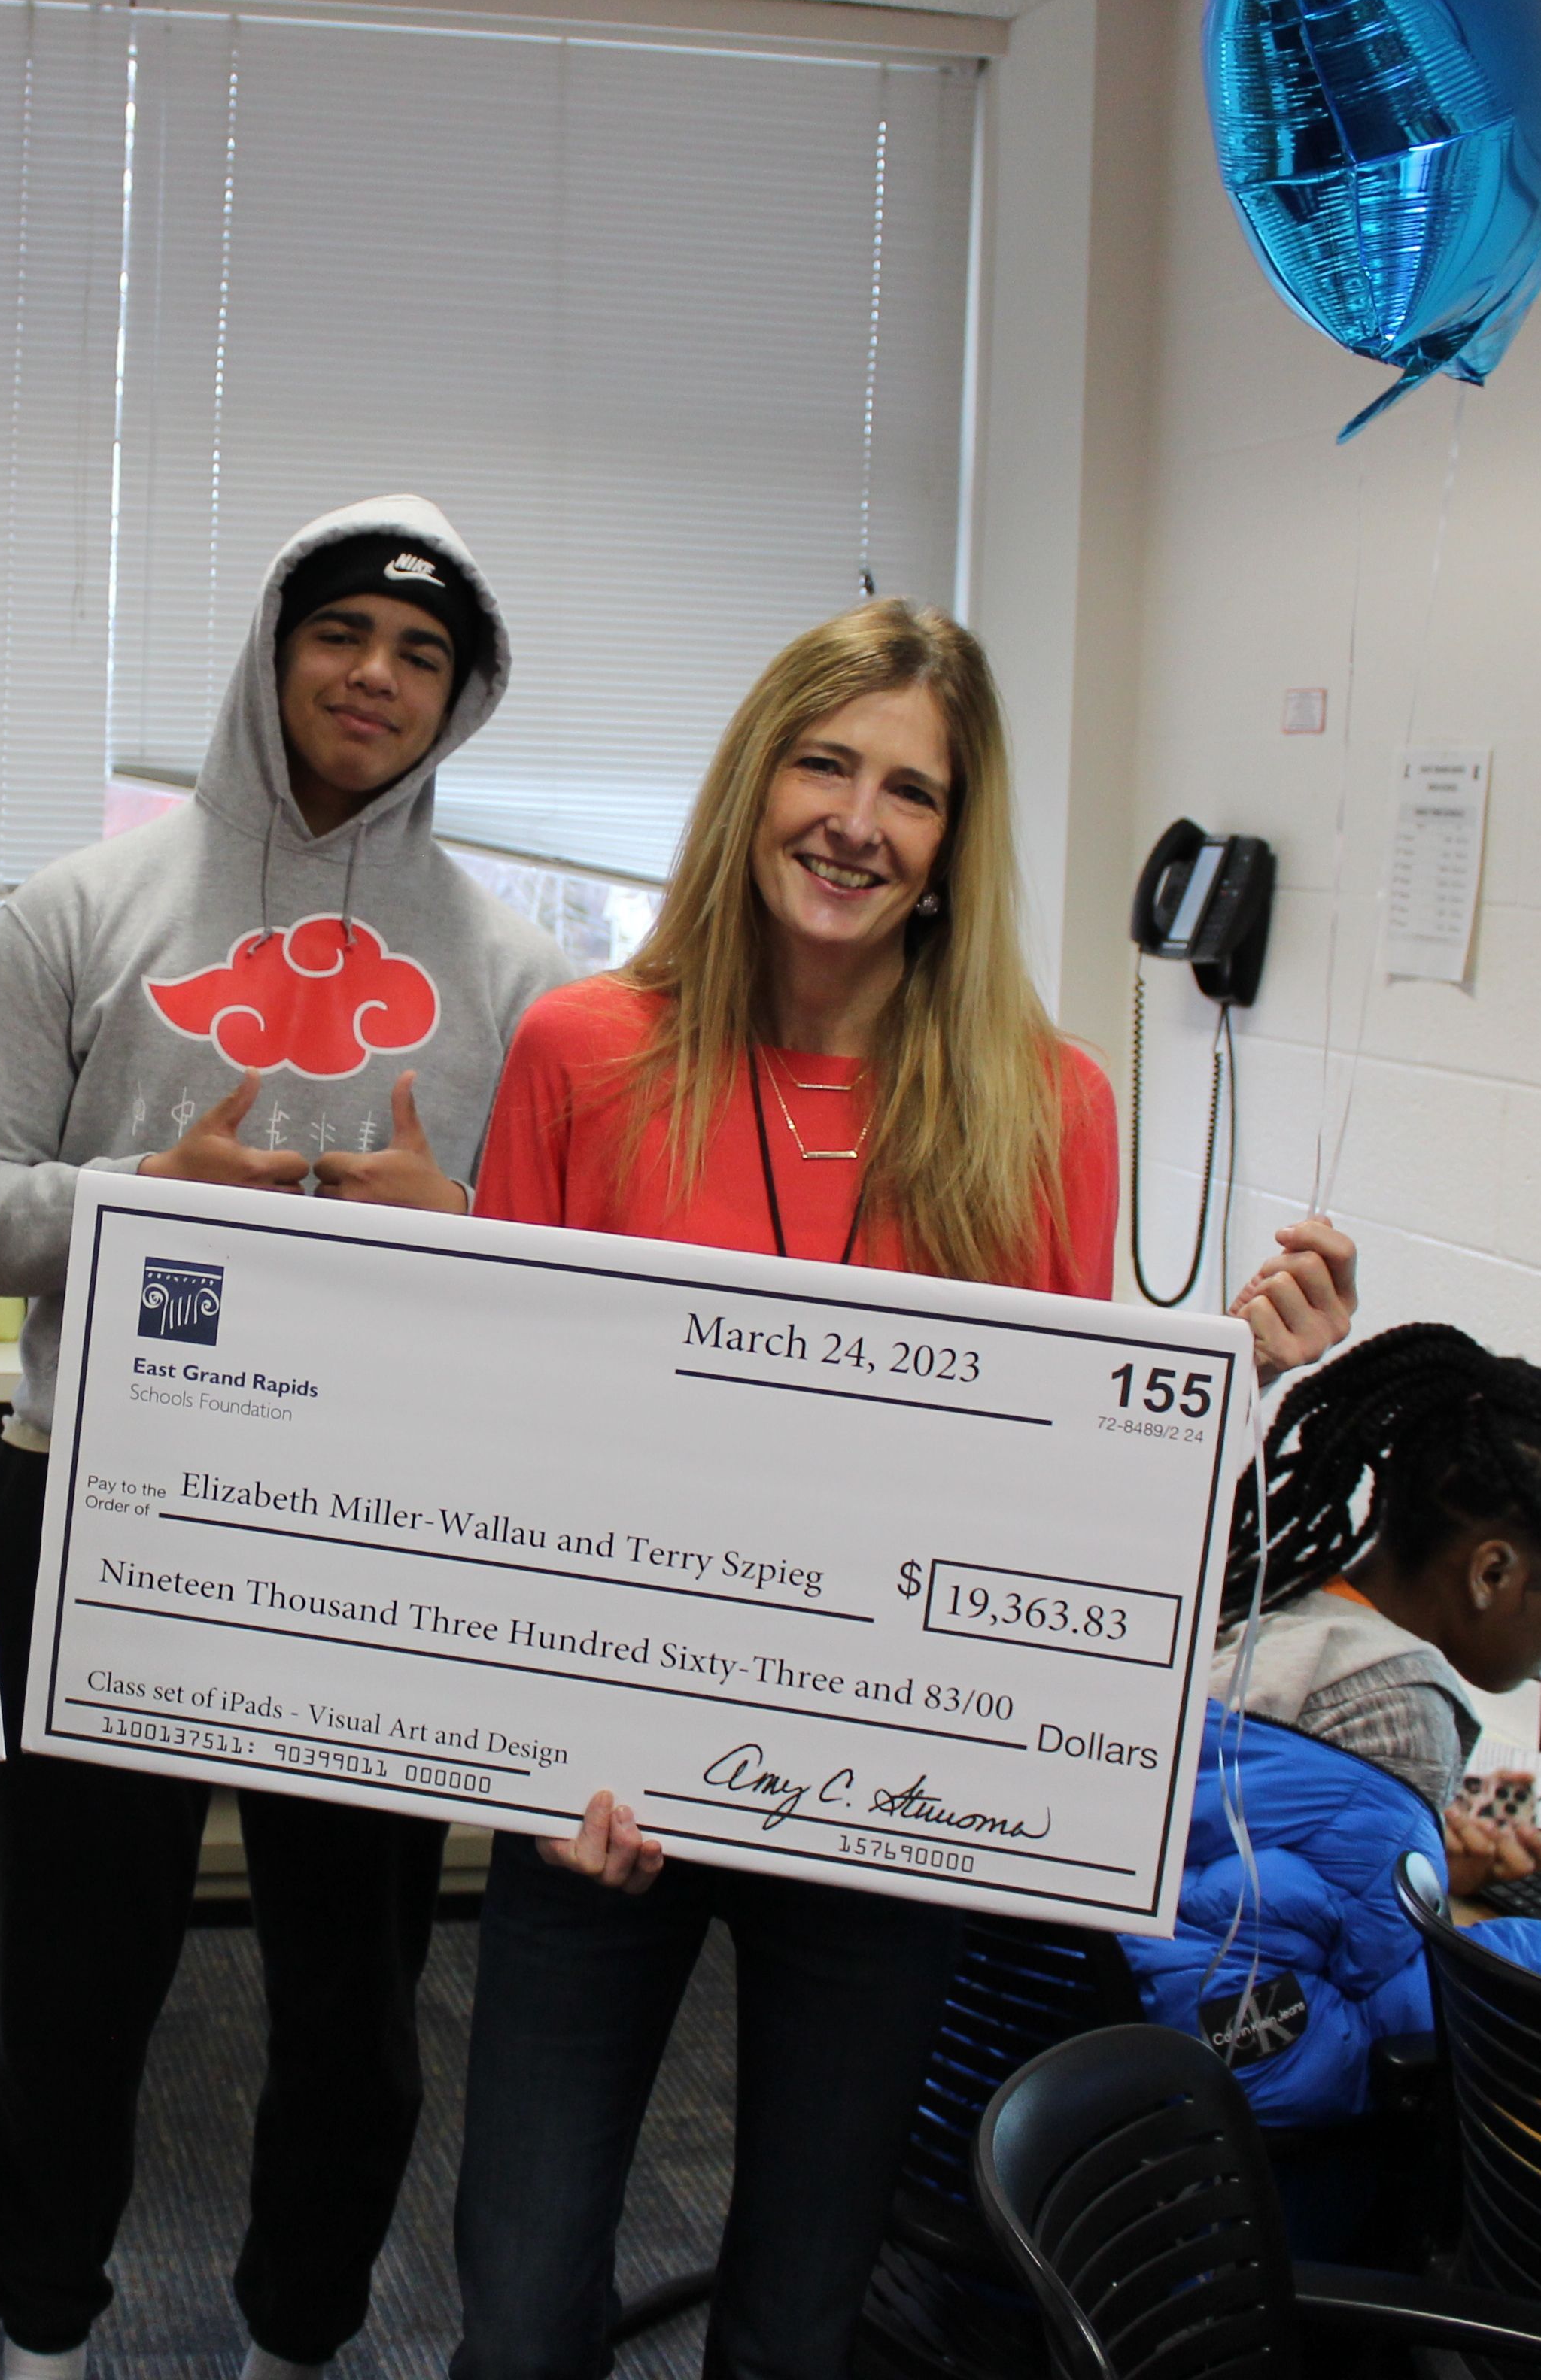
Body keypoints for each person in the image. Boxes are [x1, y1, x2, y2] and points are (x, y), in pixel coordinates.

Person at [450, 600, 1358, 2380]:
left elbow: (1043, 1489)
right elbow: (505, 1449)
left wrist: (1231, 1371)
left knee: (801, 2319)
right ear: (750, 782)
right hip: (602, 1777)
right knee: (521, 2294)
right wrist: (525, 1749)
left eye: (912, 790)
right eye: (822, 762)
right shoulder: (581, 1049)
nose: (856, 820)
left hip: (878, 1790)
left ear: (954, 839)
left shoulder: (1041, 1105)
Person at [0, 496, 575, 2380]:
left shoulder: (521, 975)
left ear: (465, 696)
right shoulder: (78, 909)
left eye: (423, 651)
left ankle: (303, 2328)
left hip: (366, 1524)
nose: (375, 676)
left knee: (352, 1992)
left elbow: (561, 1299)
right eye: (342, 630)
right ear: (273, 648)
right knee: (69, 1969)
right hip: (96, 1495)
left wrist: (462, 1237)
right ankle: (40, 2326)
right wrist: (139, 1197)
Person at [1131, 1322, 1541, 2175]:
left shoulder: (1280, 1597)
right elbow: (1275, 2042)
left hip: (1085, 2159)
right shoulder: (1399, 1710)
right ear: (1491, 1573)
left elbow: (1262, 1894)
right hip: (1230, 2195)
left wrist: (1420, 1883)